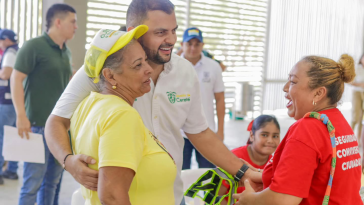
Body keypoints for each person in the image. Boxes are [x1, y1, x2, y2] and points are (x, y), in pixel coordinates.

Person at [45, 0, 260, 204]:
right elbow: (56, 121)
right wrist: (68, 161)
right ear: (133, 31)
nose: (172, 40)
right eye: (160, 32)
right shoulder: (105, 69)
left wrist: (243, 171)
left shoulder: (184, 72)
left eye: (173, 30)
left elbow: (200, 132)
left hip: (171, 196)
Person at [234, 54, 362, 205]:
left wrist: (250, 200)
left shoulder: (308, 128)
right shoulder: (338, 122)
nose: (285, 88)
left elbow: (283, 200)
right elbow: (315, 177)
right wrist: (264, 176)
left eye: (293, 81)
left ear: (318, 93)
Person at [71, 25, 176, 204]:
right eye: (137, 65)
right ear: (110, 76)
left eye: (145, 60)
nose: (148, 69)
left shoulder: (88, 105)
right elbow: (112, 196)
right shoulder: (122, 115)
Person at [10, 4, 77, 205]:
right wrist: (21, 116)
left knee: (52, 184)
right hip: (37, 125)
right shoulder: (34, 46)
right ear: (58, 22)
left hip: (60, 128)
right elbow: (15, 79)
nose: (76, 27)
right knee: (32, 185)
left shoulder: (65, 51)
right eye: (72, 22)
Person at [180, 27, 225, 170]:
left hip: (207, 130)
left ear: (202, 46)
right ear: (182, 45)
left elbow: (220, 99)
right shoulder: (172, 66)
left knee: (209, 175)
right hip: (179, 132)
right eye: (189, 44)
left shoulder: (213, 67)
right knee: (179, 176)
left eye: (197, 44)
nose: (193, 48)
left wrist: (221, 131)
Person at [218, 115, 280, 204]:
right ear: (252, 135)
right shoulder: (235, 158)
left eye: (275, 136)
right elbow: (215, 196)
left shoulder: (275, 164)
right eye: (264, 135)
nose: (270, 140)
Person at [0, 29, 19, 185]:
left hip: (7, 103)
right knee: (12, 136)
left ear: (6, 39)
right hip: (14, 101)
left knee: (1, 137)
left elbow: (5, 74)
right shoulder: (18, 51)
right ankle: (12, 169)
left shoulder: (10, 52)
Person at [350, 54, 364, 143]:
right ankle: (349, 138)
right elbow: (350, 81)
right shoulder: (357, 68)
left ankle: (358, 140)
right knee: (356, 116)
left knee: (362, 118)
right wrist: (361, 85)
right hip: (357, 92)